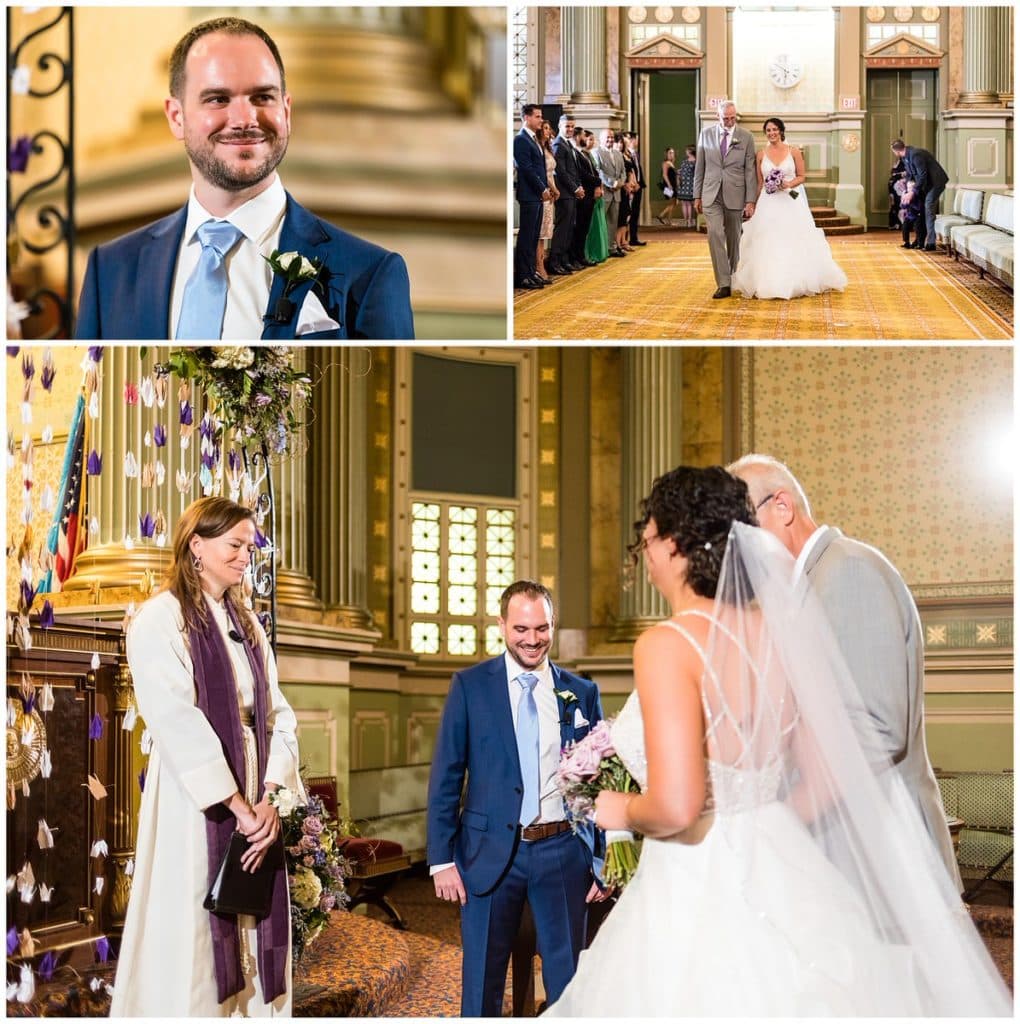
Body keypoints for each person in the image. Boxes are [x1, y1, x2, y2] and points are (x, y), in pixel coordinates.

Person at [547, 466, 1010, 1017]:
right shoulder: (782, 634)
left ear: (675, 543)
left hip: (697, 882)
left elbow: (676, 807)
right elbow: (822, 766)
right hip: (788, 862)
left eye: (645, 540)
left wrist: (616, 808)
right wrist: (759, 821)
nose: (645, 556)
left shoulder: (667, 644)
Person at [75, 17, 413, 340]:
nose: (244, 118)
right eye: (218, 99)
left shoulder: (369, 273)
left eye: (262, 97)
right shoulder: (111, 270)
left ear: (286, 110)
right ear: (177, 117)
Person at [727, 452, 962, 890]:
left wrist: (791, 813)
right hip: (841, 849)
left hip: (884, 854)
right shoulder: (799, 589)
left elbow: (876, 728)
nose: (735, 546)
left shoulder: (848, 571)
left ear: (782, 507)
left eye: (740, 528)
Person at [113, 496, 301, 1016]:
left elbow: (278, 714)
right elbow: (175, 718)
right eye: (235, 546)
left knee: (254, 911)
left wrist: (271, 799)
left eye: (250, 547)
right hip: (197, 800)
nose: (246, 557)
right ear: (197, 546)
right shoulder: (159, 619)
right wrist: (237, 805)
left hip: (256, 789)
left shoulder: (249, 625)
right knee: (197, 919)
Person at [426, 580, 609, 1017]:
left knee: (569, 982)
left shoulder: (582, 693)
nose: (532, 639)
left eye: (542, 628)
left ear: (553, 625)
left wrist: (603, 859)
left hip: (563, 852)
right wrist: (441, 860)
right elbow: (447, 775)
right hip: (486, 857)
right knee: (483, 982)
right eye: (521, 628)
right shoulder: (470, 686)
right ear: (502, 625)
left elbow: (599, 781)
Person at [730, 116, 847, 300]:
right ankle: (767, 281)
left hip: (791, 201)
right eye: (768, 130)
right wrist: (751, 203)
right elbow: (759, 182)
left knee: (792, 237)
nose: (772, 133)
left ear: (781, 131)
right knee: (768, 239)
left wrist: (788, 184)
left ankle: (796, 280)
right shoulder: (761, 154)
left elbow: (802, 176)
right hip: (768, 203)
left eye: (775, 129)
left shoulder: (794, 151)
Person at [694, 100, 757, 299]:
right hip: (711, 193)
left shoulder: (746, 137)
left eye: (732, 118)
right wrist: (697, 195)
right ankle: (723, 283)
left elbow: (750, 171)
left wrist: (750, 200)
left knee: (733, 238)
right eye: (725, 118)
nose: (729, 122)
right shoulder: (705, 135)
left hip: (736, 194)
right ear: (717, 117)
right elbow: (700, 167)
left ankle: (731, 275)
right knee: (715, 234)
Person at [514, 103, 551, 291]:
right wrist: (542, 188)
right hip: (529, 194)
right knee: (527, 237)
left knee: (534, 236)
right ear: (526, 118)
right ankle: (523, 275)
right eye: (537, 116)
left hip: (537, 195)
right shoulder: (521, 140)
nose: (540, 119)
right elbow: (526, 168)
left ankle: (530, 272)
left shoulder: (534, 139)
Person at [891, 139, 948, 252]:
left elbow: (922, 175)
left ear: (896, 151)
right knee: (921, 211)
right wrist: (906, 191)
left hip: (936, 183)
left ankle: (931, 243)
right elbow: (910, 175)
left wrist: (912, 192)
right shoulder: (905, 156)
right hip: (926, 184)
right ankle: (919, 240)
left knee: (928, 206)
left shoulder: (916, 154)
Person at [550, 114, 585, 276]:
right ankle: (555, 262)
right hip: (564, 194)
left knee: (569, 229)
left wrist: (579, 187)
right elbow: (561, 172)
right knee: (562, 229)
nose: (570, 129)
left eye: (572, 126)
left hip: (571, 193)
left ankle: (564, 260)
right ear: (559, 126)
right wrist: (575, 188)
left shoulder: (567, 144)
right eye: (567, 126)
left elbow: (573, 170)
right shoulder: (558, 144)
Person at [569, 125, 601, 269]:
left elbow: (594, 171)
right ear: (577, 137)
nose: (585, 138)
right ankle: (575, 257)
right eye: (583, 135)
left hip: (589, 196)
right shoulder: (574, 152)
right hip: (582, 196)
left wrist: (597, 182)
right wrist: (597, 181)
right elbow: (581, 173)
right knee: (579, 228)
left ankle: (581, 255)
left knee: (584, 229)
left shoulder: (585, 153)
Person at [595, 130, 626, 258]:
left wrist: (620, 183)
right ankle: (601, 248)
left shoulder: (618, 153)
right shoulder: (597, 153)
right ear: (601, 139)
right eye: (608, 137)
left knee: (613, 222)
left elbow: (623, 171)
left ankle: (611, 247)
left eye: (612, 137)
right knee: (602, 222)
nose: (610, 140)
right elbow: (599, 171)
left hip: (617, 193)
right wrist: (612, 184)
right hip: (605, 192)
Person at [535, 120, 560, 284]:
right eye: (544, 128)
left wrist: (555, 189)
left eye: (548, 128)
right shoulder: (538, 150)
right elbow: (543, 174)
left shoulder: (548, 149)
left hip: (551, 193)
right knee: (539, 233)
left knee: (545, 233)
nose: (547, 131)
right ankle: (539, 267)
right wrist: (553, 189)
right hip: (544, 193)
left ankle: (541, 264)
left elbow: (552, 173)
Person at [583, 132, 610, 264]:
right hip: (590, 192)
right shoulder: (585, 154)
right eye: (590, 139)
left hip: (598, 191)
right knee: (591, 226)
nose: (592, 142)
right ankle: (591, 252)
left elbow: (597, 173)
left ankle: (600, 252)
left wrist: (601, 186)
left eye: (593, 139)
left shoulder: (589, 155)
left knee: (599, 224)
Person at [616, 134, 639, 255]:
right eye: (620, 142)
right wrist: (627, 184)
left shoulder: (627, 155)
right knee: (622, 217)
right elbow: (623, 172)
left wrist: (633, 183)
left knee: (626, 215)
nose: (621, 144)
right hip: (621, 188)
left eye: (623, 142)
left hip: (628, 187)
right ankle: (618, 243)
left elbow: (631, 171)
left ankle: (623, 241)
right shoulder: (618, 156)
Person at [625, 132, 647, 246]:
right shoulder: (626, 153)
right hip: (632, 187)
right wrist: (634, 183)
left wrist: (640, 183)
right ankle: (625, 239)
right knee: (628, 213)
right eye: (636, 140)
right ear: (632, 140)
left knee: (635, 213)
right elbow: (629, 171)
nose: (637, 142)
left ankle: (633, 238)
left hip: (639, 187)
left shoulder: (635, 154)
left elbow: (637, 170)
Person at [896, 178, 924, 249]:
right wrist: (903, 201)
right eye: (908, 188)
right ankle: (906, 242)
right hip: (909, 216)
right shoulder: (906, 195)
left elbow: (919, 208)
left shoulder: (918, 196)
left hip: (917, 216)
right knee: (905, 227)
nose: (909, 189)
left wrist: (911, 203)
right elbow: (903, 206)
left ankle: (920, 243)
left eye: (911, 188)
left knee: (918, 229)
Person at [656, 147, 679, 227]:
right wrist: (669, 185)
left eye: (672, 153)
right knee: (673, 202)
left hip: (672, 185)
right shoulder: (666, 163)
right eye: (670, 153)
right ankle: (663, 217)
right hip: (669, 186)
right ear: (666, 154)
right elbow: (664, 175)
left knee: (674, 202)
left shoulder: (671, 163)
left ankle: (666, 218)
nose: (671, 154)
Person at [677, 145, 697, 228]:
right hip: (691, 185)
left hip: (683, 185)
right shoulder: (696, 162)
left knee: (684, 204)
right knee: (690, 205)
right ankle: (690, 221)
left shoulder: (684, 162)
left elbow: (680, 173)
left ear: (689, 152)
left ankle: (685, 221)